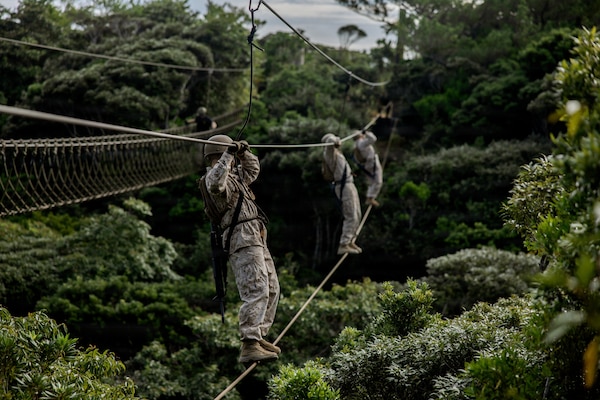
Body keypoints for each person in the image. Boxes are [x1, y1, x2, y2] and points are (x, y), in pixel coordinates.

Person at [198, 134, 281, 363]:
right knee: (256, 289)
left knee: (272, 288)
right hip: (240, 237)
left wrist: (244, 153)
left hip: (256, 235)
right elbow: (216, 182)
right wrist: (228, 154)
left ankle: (258, 335)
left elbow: (253, 171)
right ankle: (248, 343)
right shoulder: (213, 177)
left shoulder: (236, 178)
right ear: (218, 155)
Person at [321, 133, 362, 255]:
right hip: (344, 187)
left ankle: (349, 241)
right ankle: (343, 244)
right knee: (351, 215)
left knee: (357, 214)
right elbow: (329, 140)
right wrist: (335, 140)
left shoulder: (337, 153)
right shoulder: (328, 153)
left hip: (350, 184)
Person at [353, 130, 383, 207]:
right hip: (372, 164)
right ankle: (370, 198)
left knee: (372, 182)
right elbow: (373, 139)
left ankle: (369, 197)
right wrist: (366, 133)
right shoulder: (361, 143)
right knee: (378, 181)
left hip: (367, 165)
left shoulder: (356, 144)